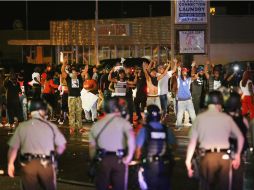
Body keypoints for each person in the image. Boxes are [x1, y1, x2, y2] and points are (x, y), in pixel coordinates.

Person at [185, 91, 244, 190]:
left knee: (205, 186)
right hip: (224, 157)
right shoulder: (226, 118)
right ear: (219, 103)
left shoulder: (199, 118)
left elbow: (192, 143)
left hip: (207, 158)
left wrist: (188, 161)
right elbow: (240, 137)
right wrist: (237, 156)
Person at [8, 99, 66, 190]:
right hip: (46, 164)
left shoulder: (22, 126)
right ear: (43, 111)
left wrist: (10, 164)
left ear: (30, 111)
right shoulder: (51, 126)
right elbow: (62, 146)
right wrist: (55, 156)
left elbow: (13, 148)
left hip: (28, 165)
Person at [89, 97, 135, 190]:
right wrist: (129, 157)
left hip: (102, 159)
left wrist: (94, 159)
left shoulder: (97, 125)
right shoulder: (124, 123)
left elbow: (92, 147)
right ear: (117, 108)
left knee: (101, 186)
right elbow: (131, 140)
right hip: (119, 159)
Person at [136, 104, 176, 190]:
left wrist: (138, 160)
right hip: (165, 164)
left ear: (148, 116)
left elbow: (138, 150)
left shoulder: (144, 130)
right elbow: (174, 145)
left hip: (149, 165)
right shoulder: (166, 129)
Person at [225, 92, 249, 190]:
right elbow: (246, 134)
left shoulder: (224, 118)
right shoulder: (243, 119)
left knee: (225, 181)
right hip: (240, 153)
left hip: (227, 151)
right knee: (238, 181)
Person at [61, 62, 83, 135]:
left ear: (77, 73)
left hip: (78, 97)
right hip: (71, 98)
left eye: (74, 72)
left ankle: (80, 128)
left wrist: (85, 68)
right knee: (71, 113)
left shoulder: (79, 78)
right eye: (72, 73)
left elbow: (84, 73)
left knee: (79, 112)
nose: (73, 74)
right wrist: (64, 64)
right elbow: (62, 71)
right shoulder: (68, 78)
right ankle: (72, 128)